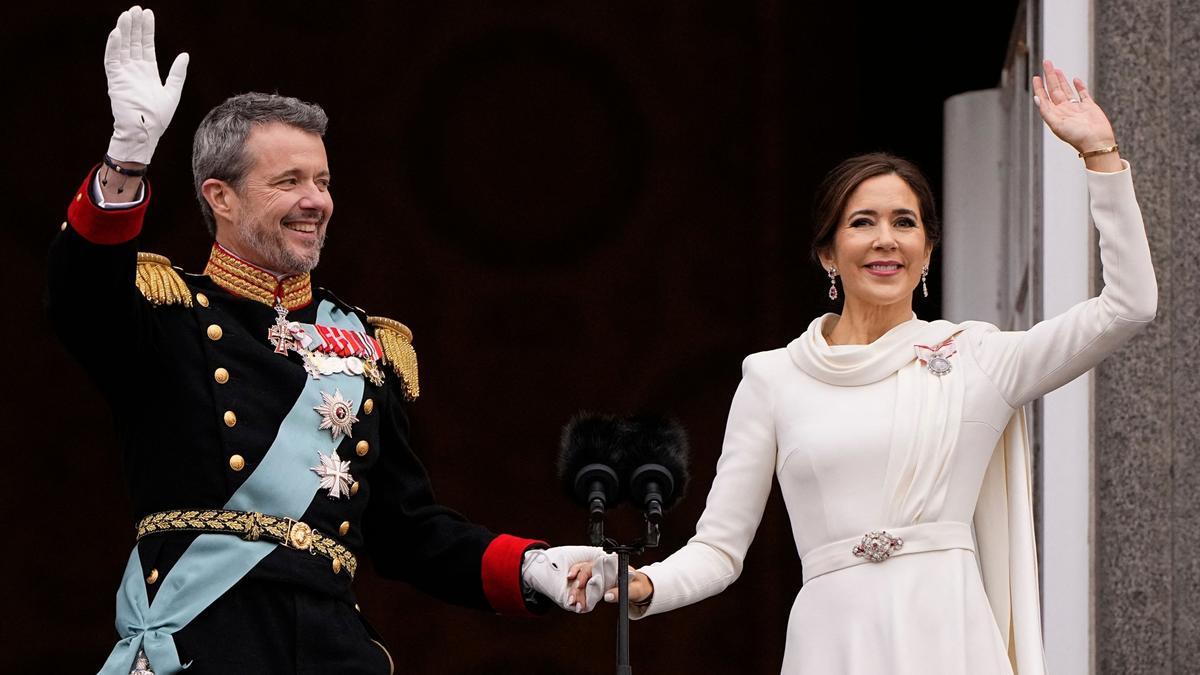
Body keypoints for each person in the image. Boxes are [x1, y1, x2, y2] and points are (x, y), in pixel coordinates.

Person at [47, 7, 615, 675]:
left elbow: (409, 531)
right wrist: (127, 162)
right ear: (220, 197)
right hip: (206, 645)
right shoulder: (167, 318)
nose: (316, 199)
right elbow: (81, 298)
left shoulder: (363, 346)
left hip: (330, 652)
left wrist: (532, 565)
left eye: (322, 181)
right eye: (288, 181)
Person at [573, 60, 1156, 673]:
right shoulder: (773, 378)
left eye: (905, 223)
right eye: (862, 223)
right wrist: (643, 584)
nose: (886, 240)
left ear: (928, 249)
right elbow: (719, 550)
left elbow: (1129, 305)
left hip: (949, 636)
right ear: (829, 252)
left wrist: (1100, 157)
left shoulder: (978, 358)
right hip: (833, 642)